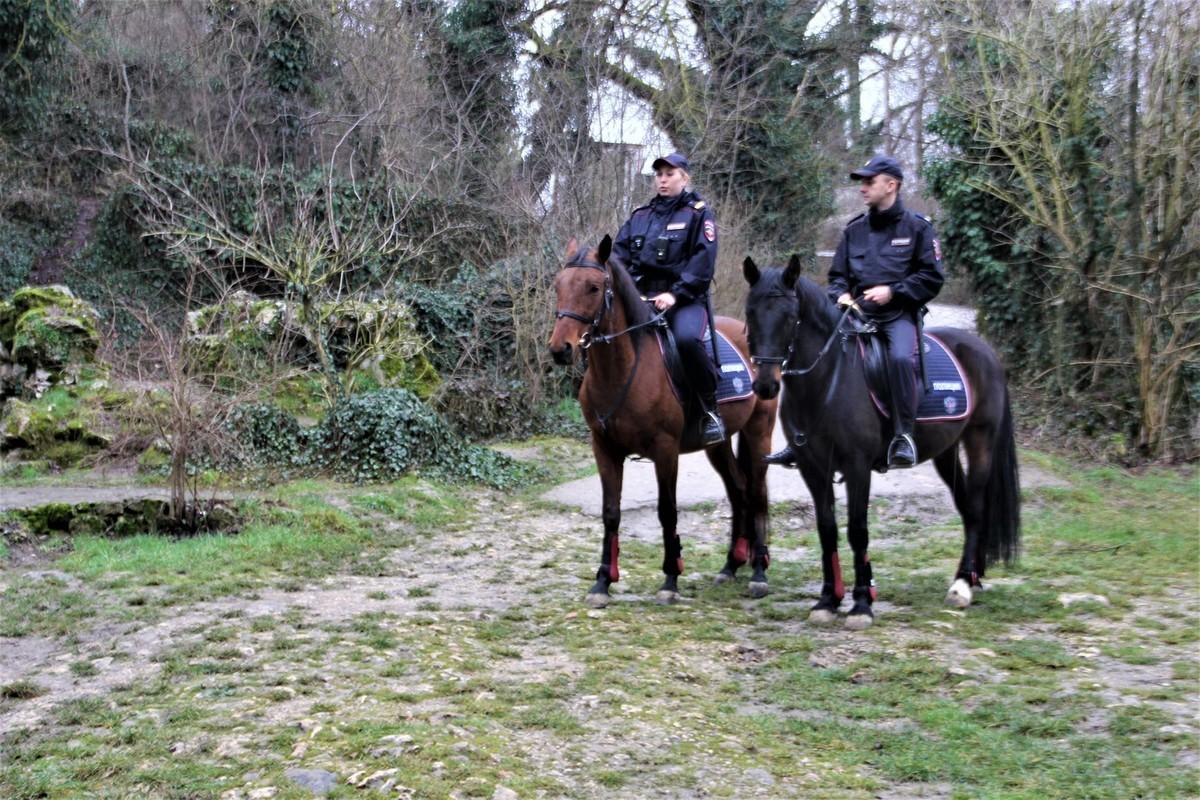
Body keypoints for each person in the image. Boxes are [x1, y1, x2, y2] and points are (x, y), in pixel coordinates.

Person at [764, 154, 944, 469]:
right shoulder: (854, 229)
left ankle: (903, 435)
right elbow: (837, 277)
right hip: (855, 315)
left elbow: (931, 277)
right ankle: (800, 437)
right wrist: (842, 294)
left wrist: (893, 292)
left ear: (891, 185)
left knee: (901, 358)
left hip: (897, 316)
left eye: (869, 181)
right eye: (861, 181)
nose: (862, 188)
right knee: (809, 353)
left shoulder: (918, 228)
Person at [612, 151, 725, 446]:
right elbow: (617, 259)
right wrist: (629, 290)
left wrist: (675, 294)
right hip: (641, 299)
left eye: (669, 174)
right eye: (658, 174)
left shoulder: (699, 214)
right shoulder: (640, 216)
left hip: (685, 300)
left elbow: (703, 263)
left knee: (688, 341)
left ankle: (709, 411)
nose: (662, 179)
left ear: (684, 177)